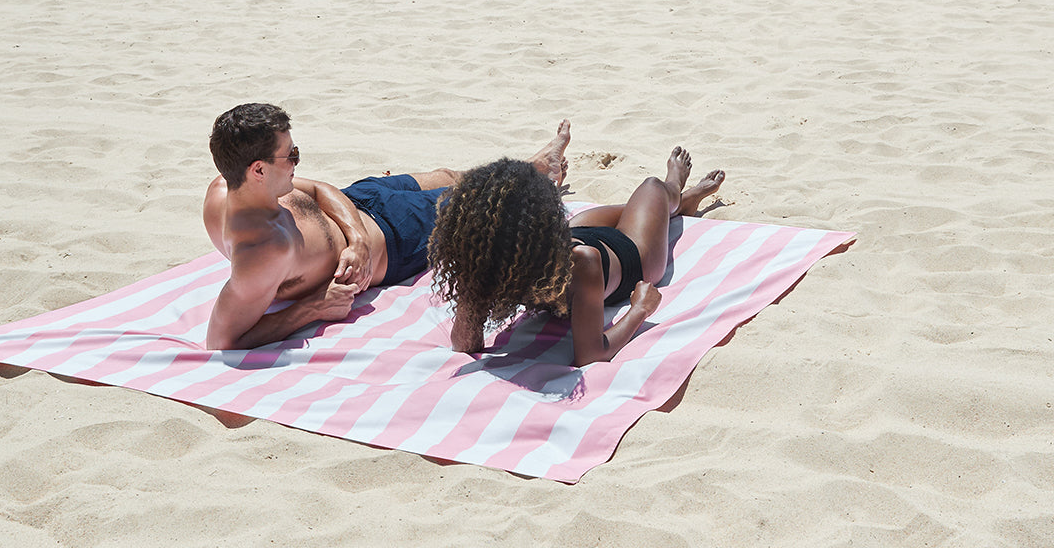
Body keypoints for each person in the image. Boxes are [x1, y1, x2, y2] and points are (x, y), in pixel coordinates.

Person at [203, 103, 571, 350]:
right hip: (395, 238)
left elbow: (318, 189)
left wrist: (357, 239)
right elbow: (222, 340)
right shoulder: (262, 252)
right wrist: (313, 308)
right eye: (291, 155)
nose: (298, 161)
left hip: (359, 204)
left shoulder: (228, 187)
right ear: (258, 170)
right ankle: (538, 176)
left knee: (446, 175)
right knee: (480, 202)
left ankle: (536, 166)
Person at [428, 147, 725, 366]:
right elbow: (592, 355)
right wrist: (640, 310)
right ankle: (673, 190)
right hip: (633, 255)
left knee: (647, 201)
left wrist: (471, 280)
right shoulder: (578, 262)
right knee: (650, 189)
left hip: (598, 243)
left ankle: (676, 196)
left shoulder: (499, 260)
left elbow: (465, 342)